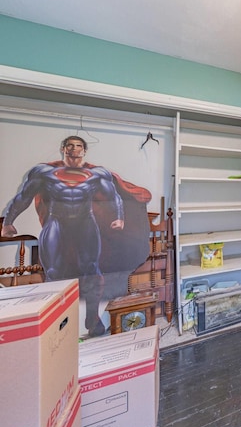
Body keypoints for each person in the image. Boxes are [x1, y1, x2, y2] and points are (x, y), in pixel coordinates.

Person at [2, 136, 151, 336]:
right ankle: (55, 318)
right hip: (57, 222)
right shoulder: (45, 173)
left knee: (91, 269)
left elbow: (113, 197)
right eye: (70, 145)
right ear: (63, 148)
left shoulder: (96, 174)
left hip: (85, 222)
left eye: (79, 146)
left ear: (84, 151)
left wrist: (119, 217)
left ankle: (92, 318)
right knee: (53, 272)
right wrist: (9, 221)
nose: (74, 149)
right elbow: (24, 197)